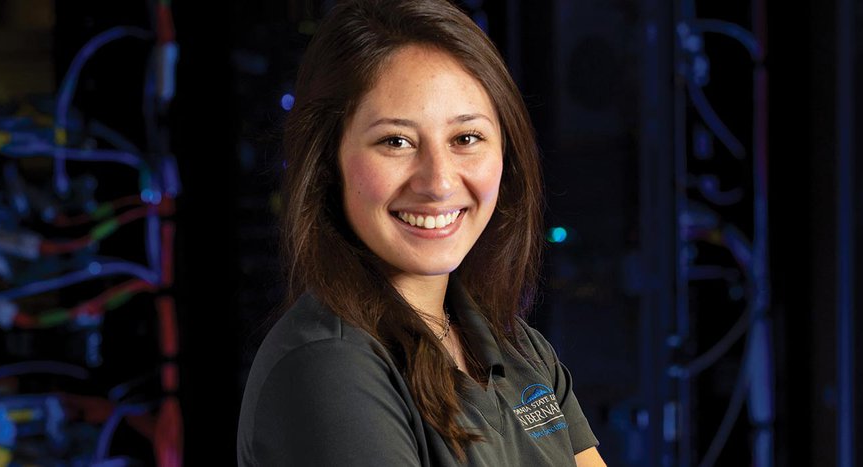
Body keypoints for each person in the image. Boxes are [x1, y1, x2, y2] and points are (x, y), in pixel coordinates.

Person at [236, 0, 607, 465]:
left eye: (465, 139)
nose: (439, 183)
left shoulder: (519, 349)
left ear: (506, 154)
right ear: (329, 162)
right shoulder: (328, 366)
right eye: (396, 142)